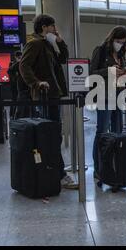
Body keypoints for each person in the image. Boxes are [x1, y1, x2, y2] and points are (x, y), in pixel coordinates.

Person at [19, 14, 77, 189]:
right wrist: (36, 83)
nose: (55, 29)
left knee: (53, 135)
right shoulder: (35, 43)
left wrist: (59, 41)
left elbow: (63, 59)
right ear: (44, 27)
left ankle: (55, 171)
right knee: (51, 135)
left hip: (53, 94)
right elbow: (24, 65)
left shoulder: (47, 44)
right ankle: (58, 173)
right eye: (53, 26)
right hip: (46, 95)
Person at [90, 26, 126, 179]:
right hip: (104, 96)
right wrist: (109, 71)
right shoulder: (100, 50)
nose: (120, 44)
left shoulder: (121, 54)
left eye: (122, 42)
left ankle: (114, 165)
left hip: (118, 95)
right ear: (111, 39)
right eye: (117, 41)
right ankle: (98, 168)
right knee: (102, 131)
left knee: (117, 132)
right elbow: (92, 73)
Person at [7, 51, 22, 119]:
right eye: (19, 57)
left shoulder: (21, 63)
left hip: (20, 85)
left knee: (18, 100)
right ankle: (12, 114)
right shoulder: (12, 64)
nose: (20, 58)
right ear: (16, 57)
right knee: (14, 100)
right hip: (14, 85)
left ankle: (17, 115)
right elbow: (10, 72)